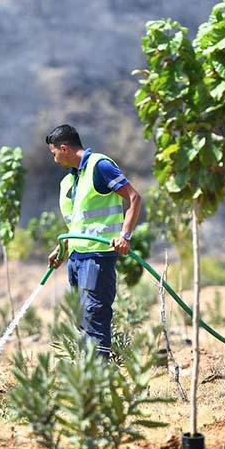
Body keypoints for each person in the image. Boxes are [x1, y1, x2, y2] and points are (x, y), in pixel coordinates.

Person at [45, 124, 142, 359]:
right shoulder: (72, 179)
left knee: (94, 314)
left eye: (54, 153)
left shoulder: (99, 166)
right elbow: (79, 223)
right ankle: (87, 375)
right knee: (81, 317)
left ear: (64, 148)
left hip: (98, 256)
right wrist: (63, 247)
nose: (55, 159)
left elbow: (134, 197)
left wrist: (125, 235)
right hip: (77, 257)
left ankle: (98, 379)